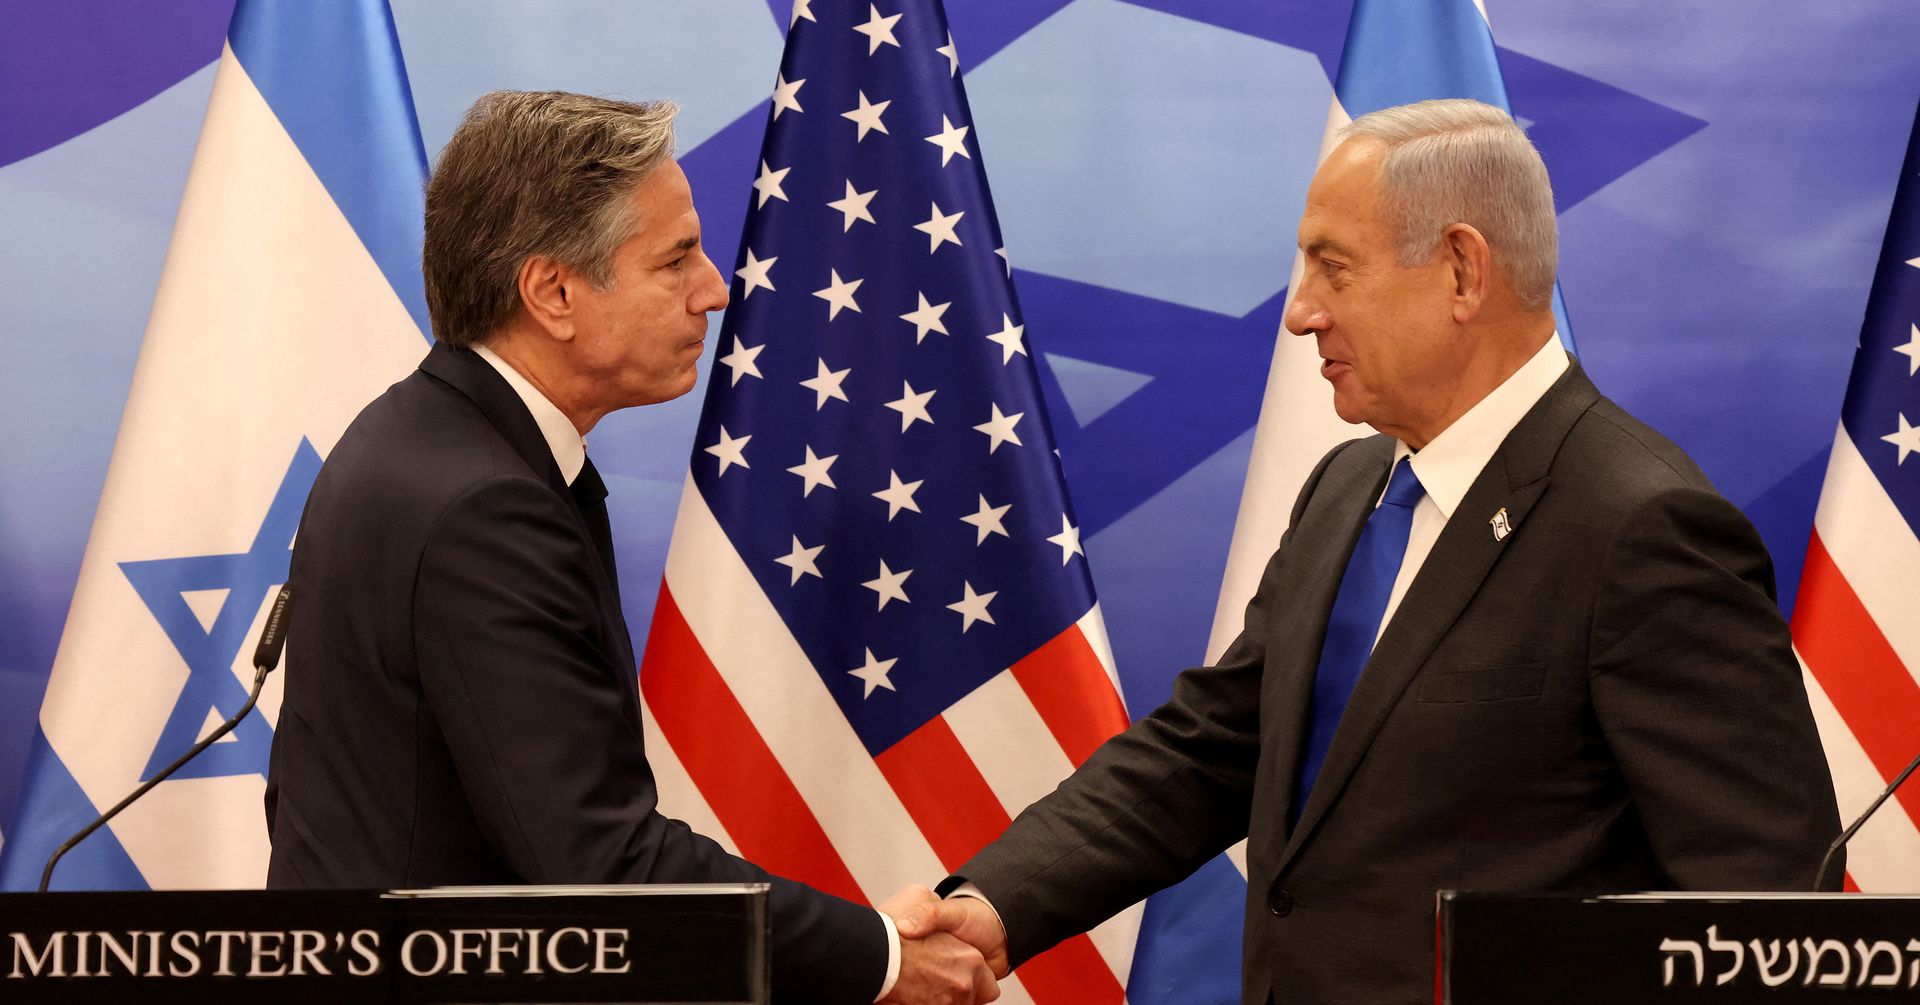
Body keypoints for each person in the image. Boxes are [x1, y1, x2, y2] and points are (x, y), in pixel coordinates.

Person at [894, 98, 1842, 1003]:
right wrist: (995, 902)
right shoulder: (1350, 486)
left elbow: (1763, 921)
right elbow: (1218, 749)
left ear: (1463, 271)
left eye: (1332, 268)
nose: (1300, 311)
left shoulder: (1643, 526)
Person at [264, 90, 995, 1005]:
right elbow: (599, 862)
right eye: (675, 258)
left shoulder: (417, 436)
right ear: (554, 292)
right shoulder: (484, 505)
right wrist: (880, 958)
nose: (714, 291)